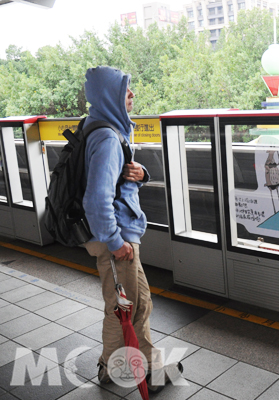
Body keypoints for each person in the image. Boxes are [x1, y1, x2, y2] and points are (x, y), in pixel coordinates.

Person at [82, 66, 181, 391]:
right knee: (129, 307)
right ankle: (148, 371)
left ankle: (113, 365)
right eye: (126, 90)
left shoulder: (98, 128)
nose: (132, 94)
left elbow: (114, 181)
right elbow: (96, 199)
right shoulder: (108, 137)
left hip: (116, 237)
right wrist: (114, 241)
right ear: (111, 95)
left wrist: (141, 173)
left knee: (133, 304)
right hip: (117, 238)